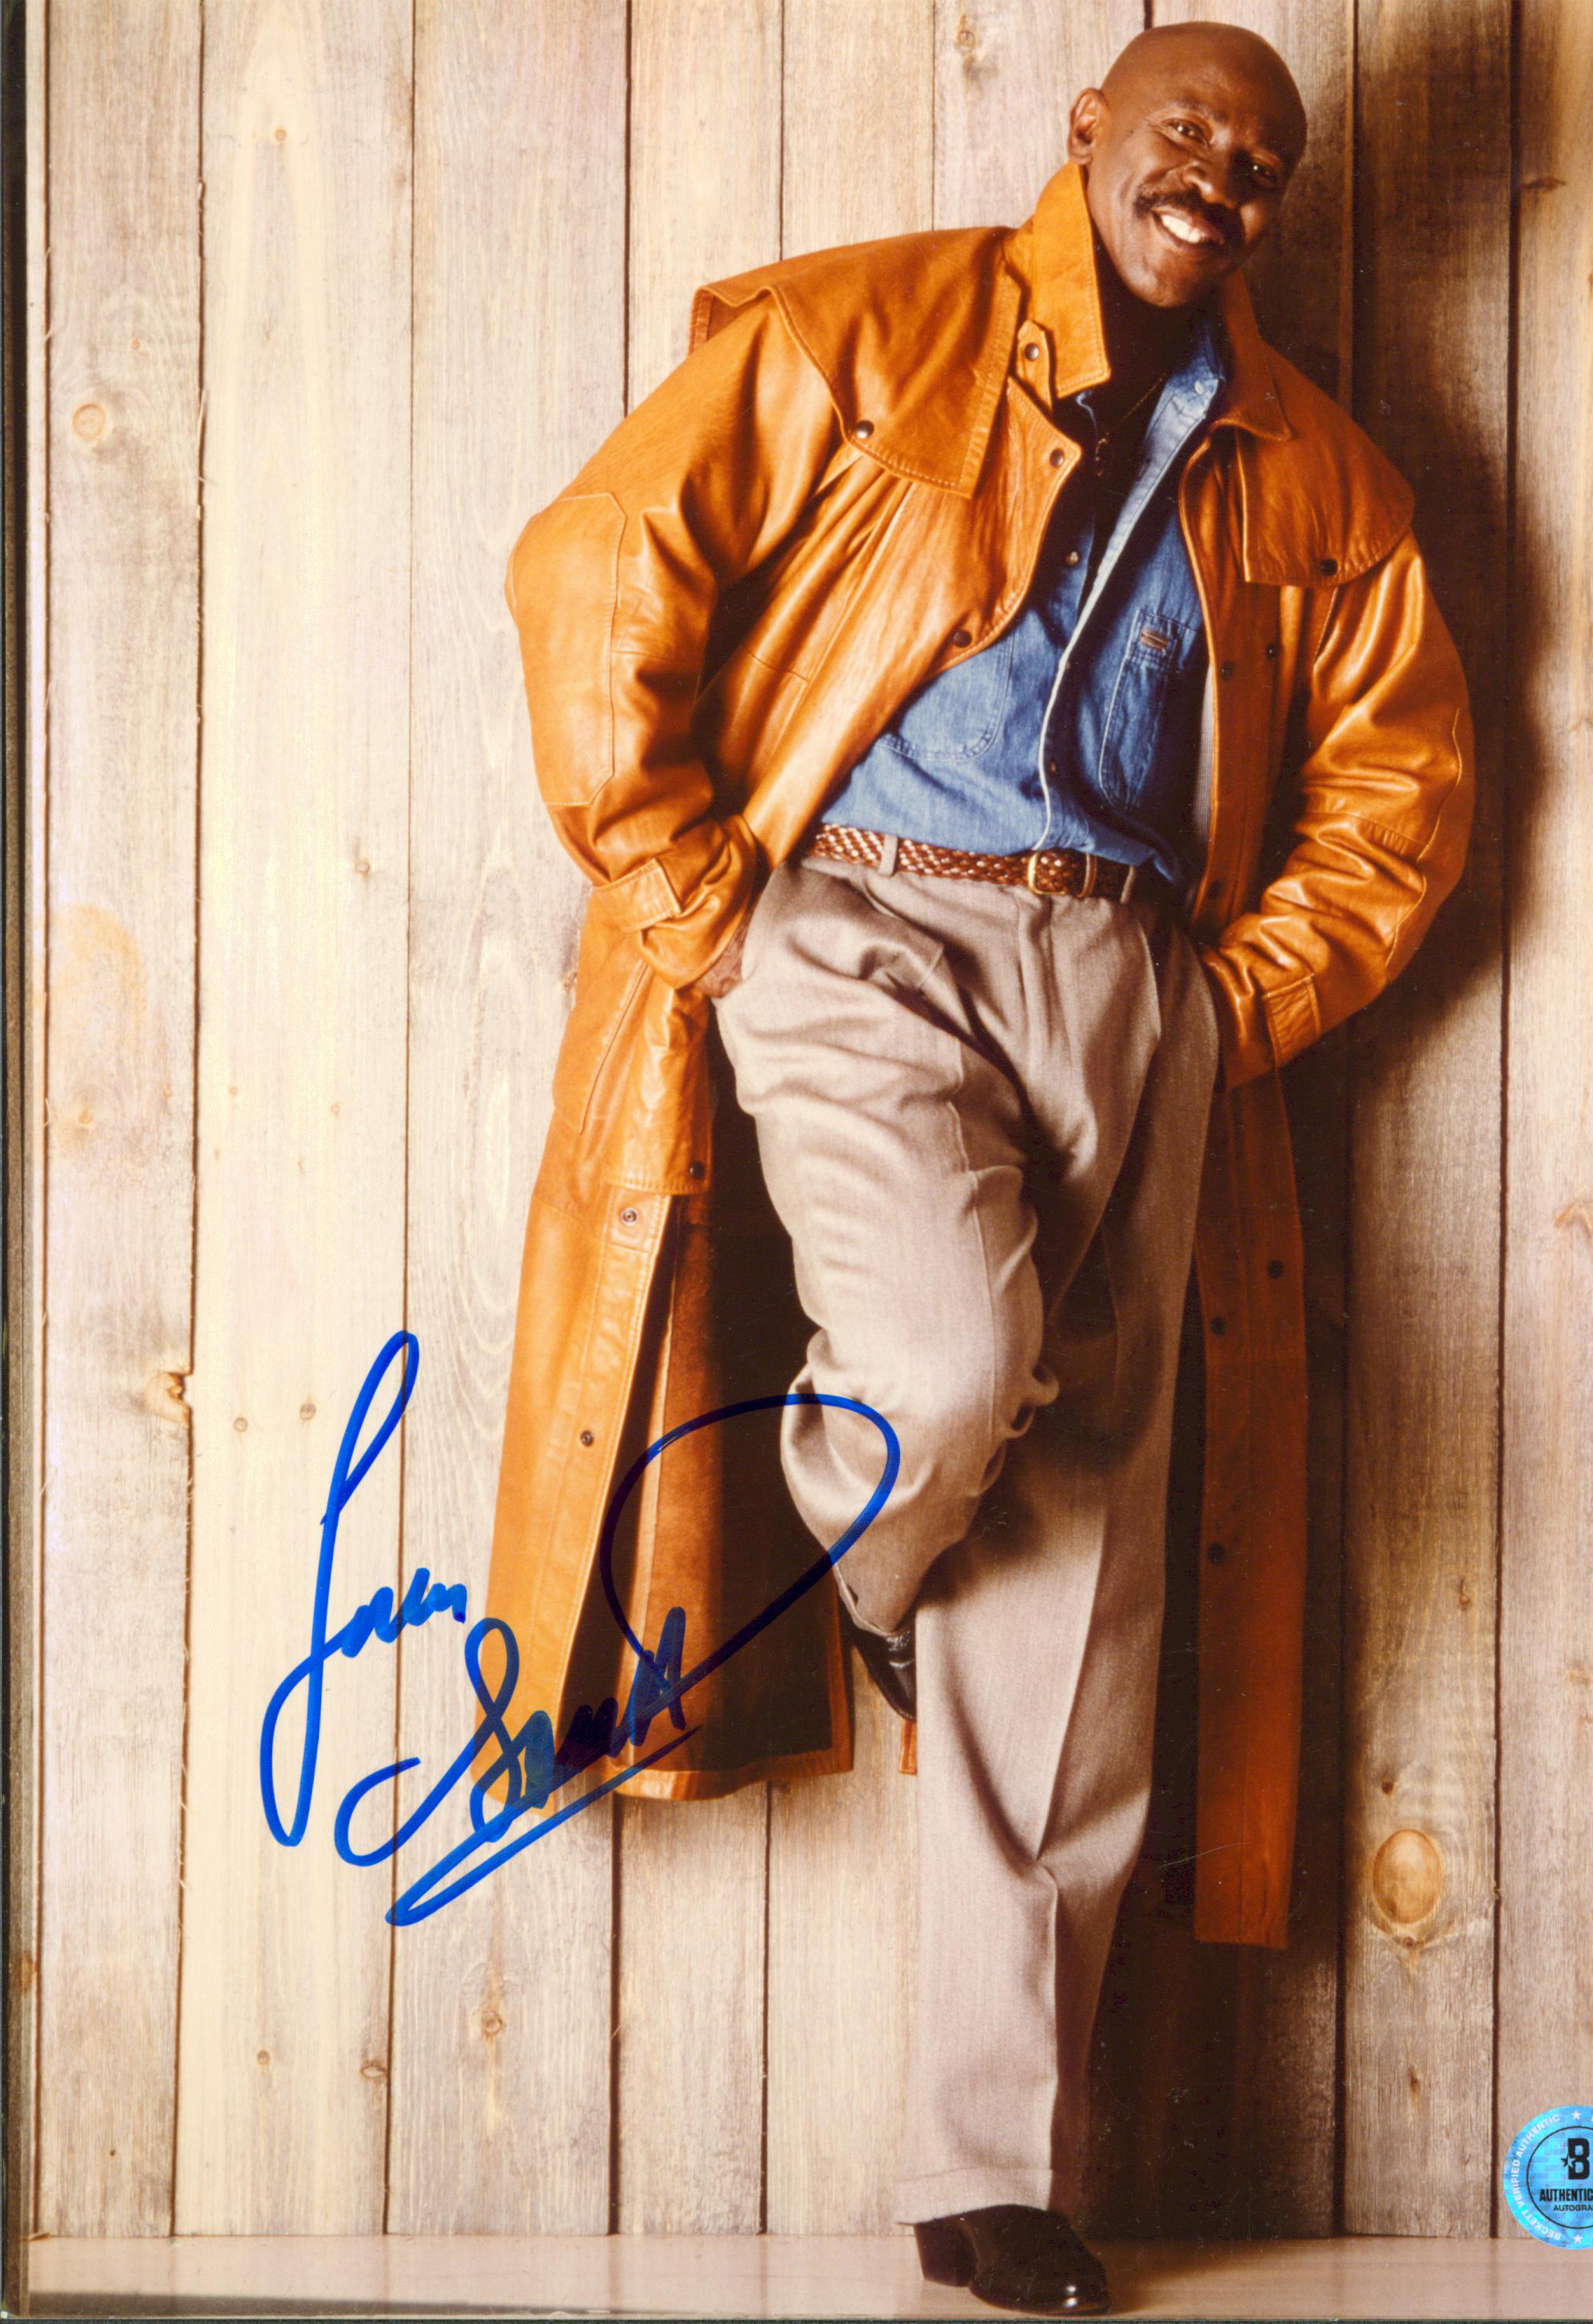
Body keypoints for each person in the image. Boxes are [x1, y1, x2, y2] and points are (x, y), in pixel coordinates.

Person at [493, 19, 1472, 2316]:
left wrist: (1226, 1009)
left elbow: (1403, 791)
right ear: (1089, 136)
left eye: (1263, 159)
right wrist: (694, 887)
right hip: (860, 920)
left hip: (1133, 974)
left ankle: (993, 2172)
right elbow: (595, 563)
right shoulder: (864, 329)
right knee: (946, 1369)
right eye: (1185, 129)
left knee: (1083, 1577)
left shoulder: (1318, 472)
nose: (1221, 173)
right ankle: (869, 1560)